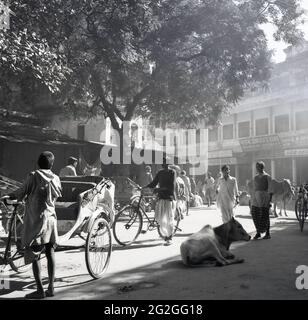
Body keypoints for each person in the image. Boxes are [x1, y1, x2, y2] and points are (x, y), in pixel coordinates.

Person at [4, 151, 62, 299]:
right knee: (50, 252)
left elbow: (21, 192)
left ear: (38, 163)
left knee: (35, 254)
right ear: (52, 164)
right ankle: (51, 288)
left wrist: (8, 196)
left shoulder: (34, 176)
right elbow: (57, 195)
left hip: (38, 221)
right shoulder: (56, 178)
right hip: (51, 219)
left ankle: (40, 291)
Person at [142, 158, 176, 246]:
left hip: (168, 197)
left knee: (169, 218)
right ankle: (164, 234)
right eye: (162, 163)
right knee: (160, 218)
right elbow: (154, 183)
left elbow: (171, 187)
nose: (163, 164)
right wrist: (144, 187)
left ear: (168, 164)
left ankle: (170, 237)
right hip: (161, 197)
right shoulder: (160, 173)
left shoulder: (172, 172)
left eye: (165, 163)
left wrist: (159, 189)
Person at [250, 161, 273, 240]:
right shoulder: (255, 177)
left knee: (264, 215)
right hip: (256, 196)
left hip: (264, 196)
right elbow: (254, 188)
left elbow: (271, 189)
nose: (257, 168)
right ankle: (258, 232)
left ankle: (268, 233)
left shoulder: (267, 176)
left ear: (262, 167)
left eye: (258, 167)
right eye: (256, 167)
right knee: (255, 213)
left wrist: (269, 200)